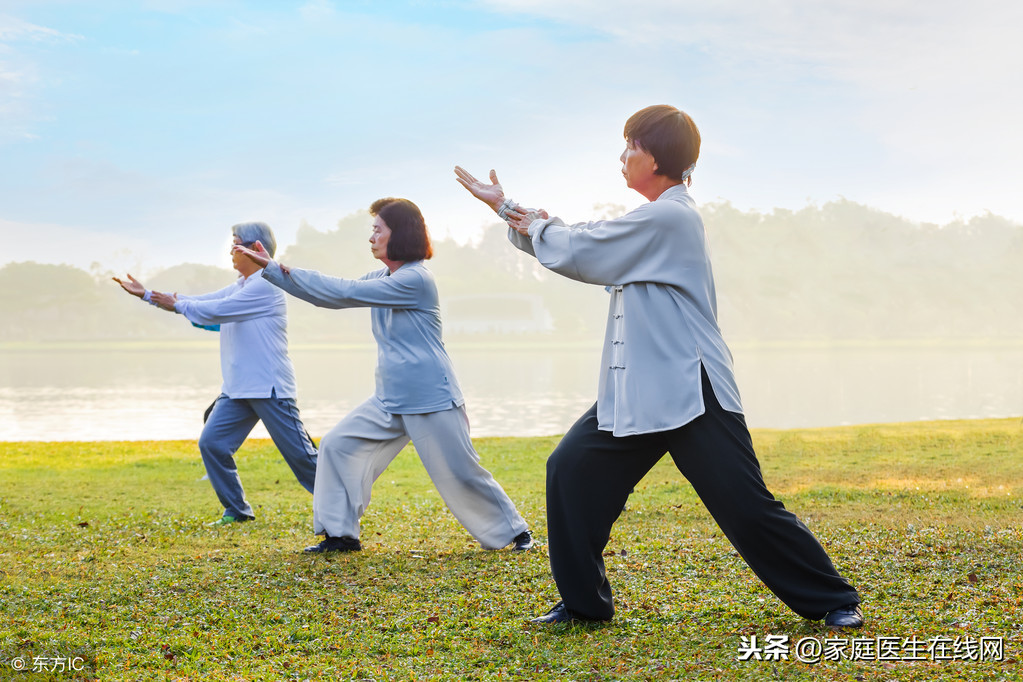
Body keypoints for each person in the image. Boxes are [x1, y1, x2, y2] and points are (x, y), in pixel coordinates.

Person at [453, 104, 863, 628]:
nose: (623, 156)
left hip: (691, 386)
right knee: (570, 470)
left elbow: (581, 245)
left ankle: (833, 600)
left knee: (744, 504)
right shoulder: (652, 221)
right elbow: (581, 249)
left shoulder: (671, 216)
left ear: (658, 157)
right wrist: (509, 210)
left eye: (631, 145)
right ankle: (584, 604)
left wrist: (509, 207)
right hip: (637, 387)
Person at [232, 197, 534, 554]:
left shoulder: (416, 280)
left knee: (460, 471)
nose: (371, 237)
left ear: (400, 234)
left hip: (430, 397)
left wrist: (273, 268)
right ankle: (340, 534)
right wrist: (274, 270)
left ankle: (515, 534)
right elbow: (332, 292)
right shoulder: (384, 276)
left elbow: (343, 293)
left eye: (378, 230)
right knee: (338, 445)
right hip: (390, 397)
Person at [113, 222, 318, 526]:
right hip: (238, 389)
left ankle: (343, 501)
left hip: (270, 388)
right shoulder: (242, 284)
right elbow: (203, 302)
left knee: (303, 459)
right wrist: (147, 296)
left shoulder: (267, 284)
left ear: (255, 248)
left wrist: (175, 303)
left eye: (235, 244)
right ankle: (236, 510)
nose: (230, 252)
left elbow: (214, 311)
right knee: (213, 444)